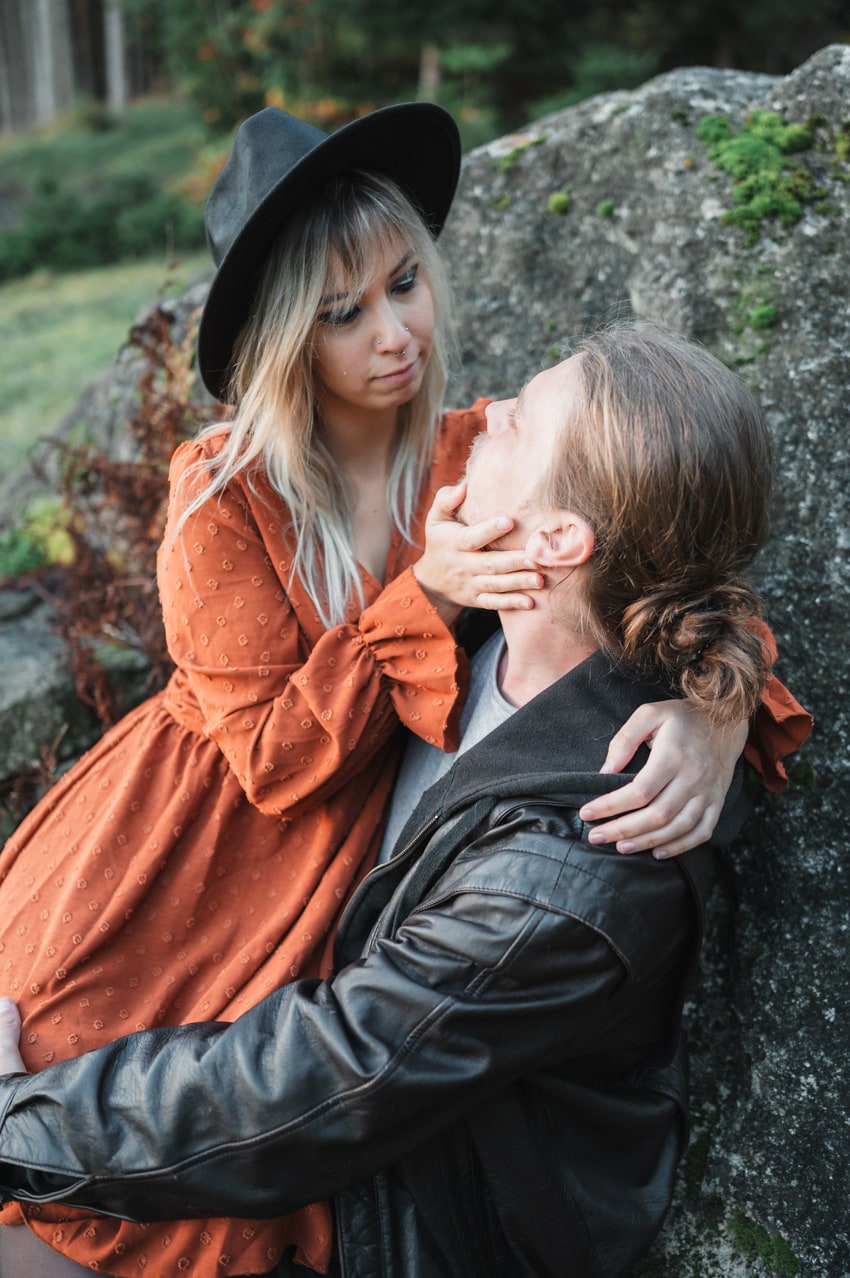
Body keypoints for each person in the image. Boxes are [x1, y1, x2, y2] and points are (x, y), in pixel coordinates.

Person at [0, 104, 809, 1278]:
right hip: (205, 841)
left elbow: (652, 549)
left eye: (403, 286)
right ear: (284, 341)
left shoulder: (467, 450)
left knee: (238, 1146)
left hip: (357, 864)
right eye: (342, 316)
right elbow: (272, 764)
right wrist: (420, 597)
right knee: (83, 1097)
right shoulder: (228, 497)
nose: (394, 336)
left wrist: (720, 708)